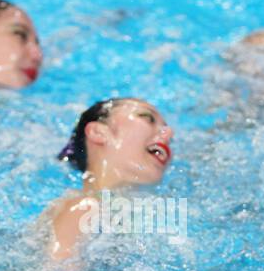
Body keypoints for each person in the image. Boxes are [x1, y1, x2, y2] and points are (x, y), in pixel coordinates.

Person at [45, 97, 174, 260]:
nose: (169, 134)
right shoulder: (84, 207)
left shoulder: (115, 213)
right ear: (98, 132)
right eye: (147, 118)